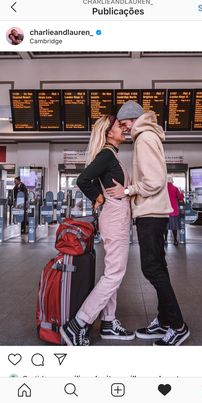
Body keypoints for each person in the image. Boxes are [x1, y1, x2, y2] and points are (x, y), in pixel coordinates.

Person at [107, 100, 190, 346]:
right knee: (158, 267)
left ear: (133, 120)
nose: (123, 130)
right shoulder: (148, 136)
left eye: (124, 124)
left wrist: (128, 190)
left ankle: (177, 325)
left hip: (150, 213)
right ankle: (165, 319)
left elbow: (154, 181)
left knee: (151, 268)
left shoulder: (143, 138)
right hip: (153, 213)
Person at [60, 115, 135, 346]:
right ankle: (78, 324)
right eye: (118, 126)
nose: (123, 128)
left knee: (112, 271)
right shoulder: (105, 154)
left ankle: (109, 322)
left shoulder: (111, 155)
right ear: (108, 133)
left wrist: (105, 195)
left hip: (116, 217)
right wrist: (97, 196)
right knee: (114, 274)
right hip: (114, 218)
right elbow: (82, 180)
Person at [164, 176, 184, 246]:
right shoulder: (175, 188)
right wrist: (181, 192)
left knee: (165, 227)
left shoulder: (164, 189)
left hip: (165, 211)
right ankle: (175, 240)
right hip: (174, 211)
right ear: (172, 181)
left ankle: (165, 240)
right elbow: (180, 198)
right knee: (174, 227)